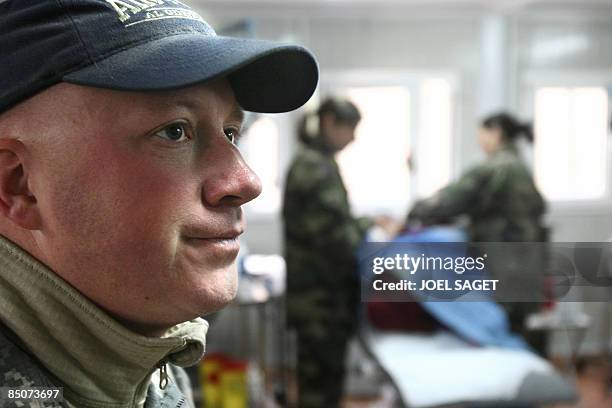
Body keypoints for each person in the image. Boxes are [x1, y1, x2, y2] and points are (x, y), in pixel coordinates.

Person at [0, 0, 318, 406]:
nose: (246, 182)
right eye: (174, 131)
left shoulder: (155, 362)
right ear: (19, 184)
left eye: (231, 133)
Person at [408, 112, 547, 351]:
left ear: (496, 133)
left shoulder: (495, 168)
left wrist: (414, 214)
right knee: (521, 332)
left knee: (500, 333)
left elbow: (450, 200)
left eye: (481, 134)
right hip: (527, 264)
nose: (479, 141)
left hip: (503, 265)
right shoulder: (520, 168)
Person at [283, 97, 376, 408]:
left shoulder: (319, 163)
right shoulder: (314, 168)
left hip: (324, 299)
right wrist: (368, 228)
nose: (353, 137)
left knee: (327, 382)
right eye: (349, 128)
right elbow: (337, 240)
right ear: (329, 123)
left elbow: (336, 224)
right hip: (319, 301)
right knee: (318, 389)